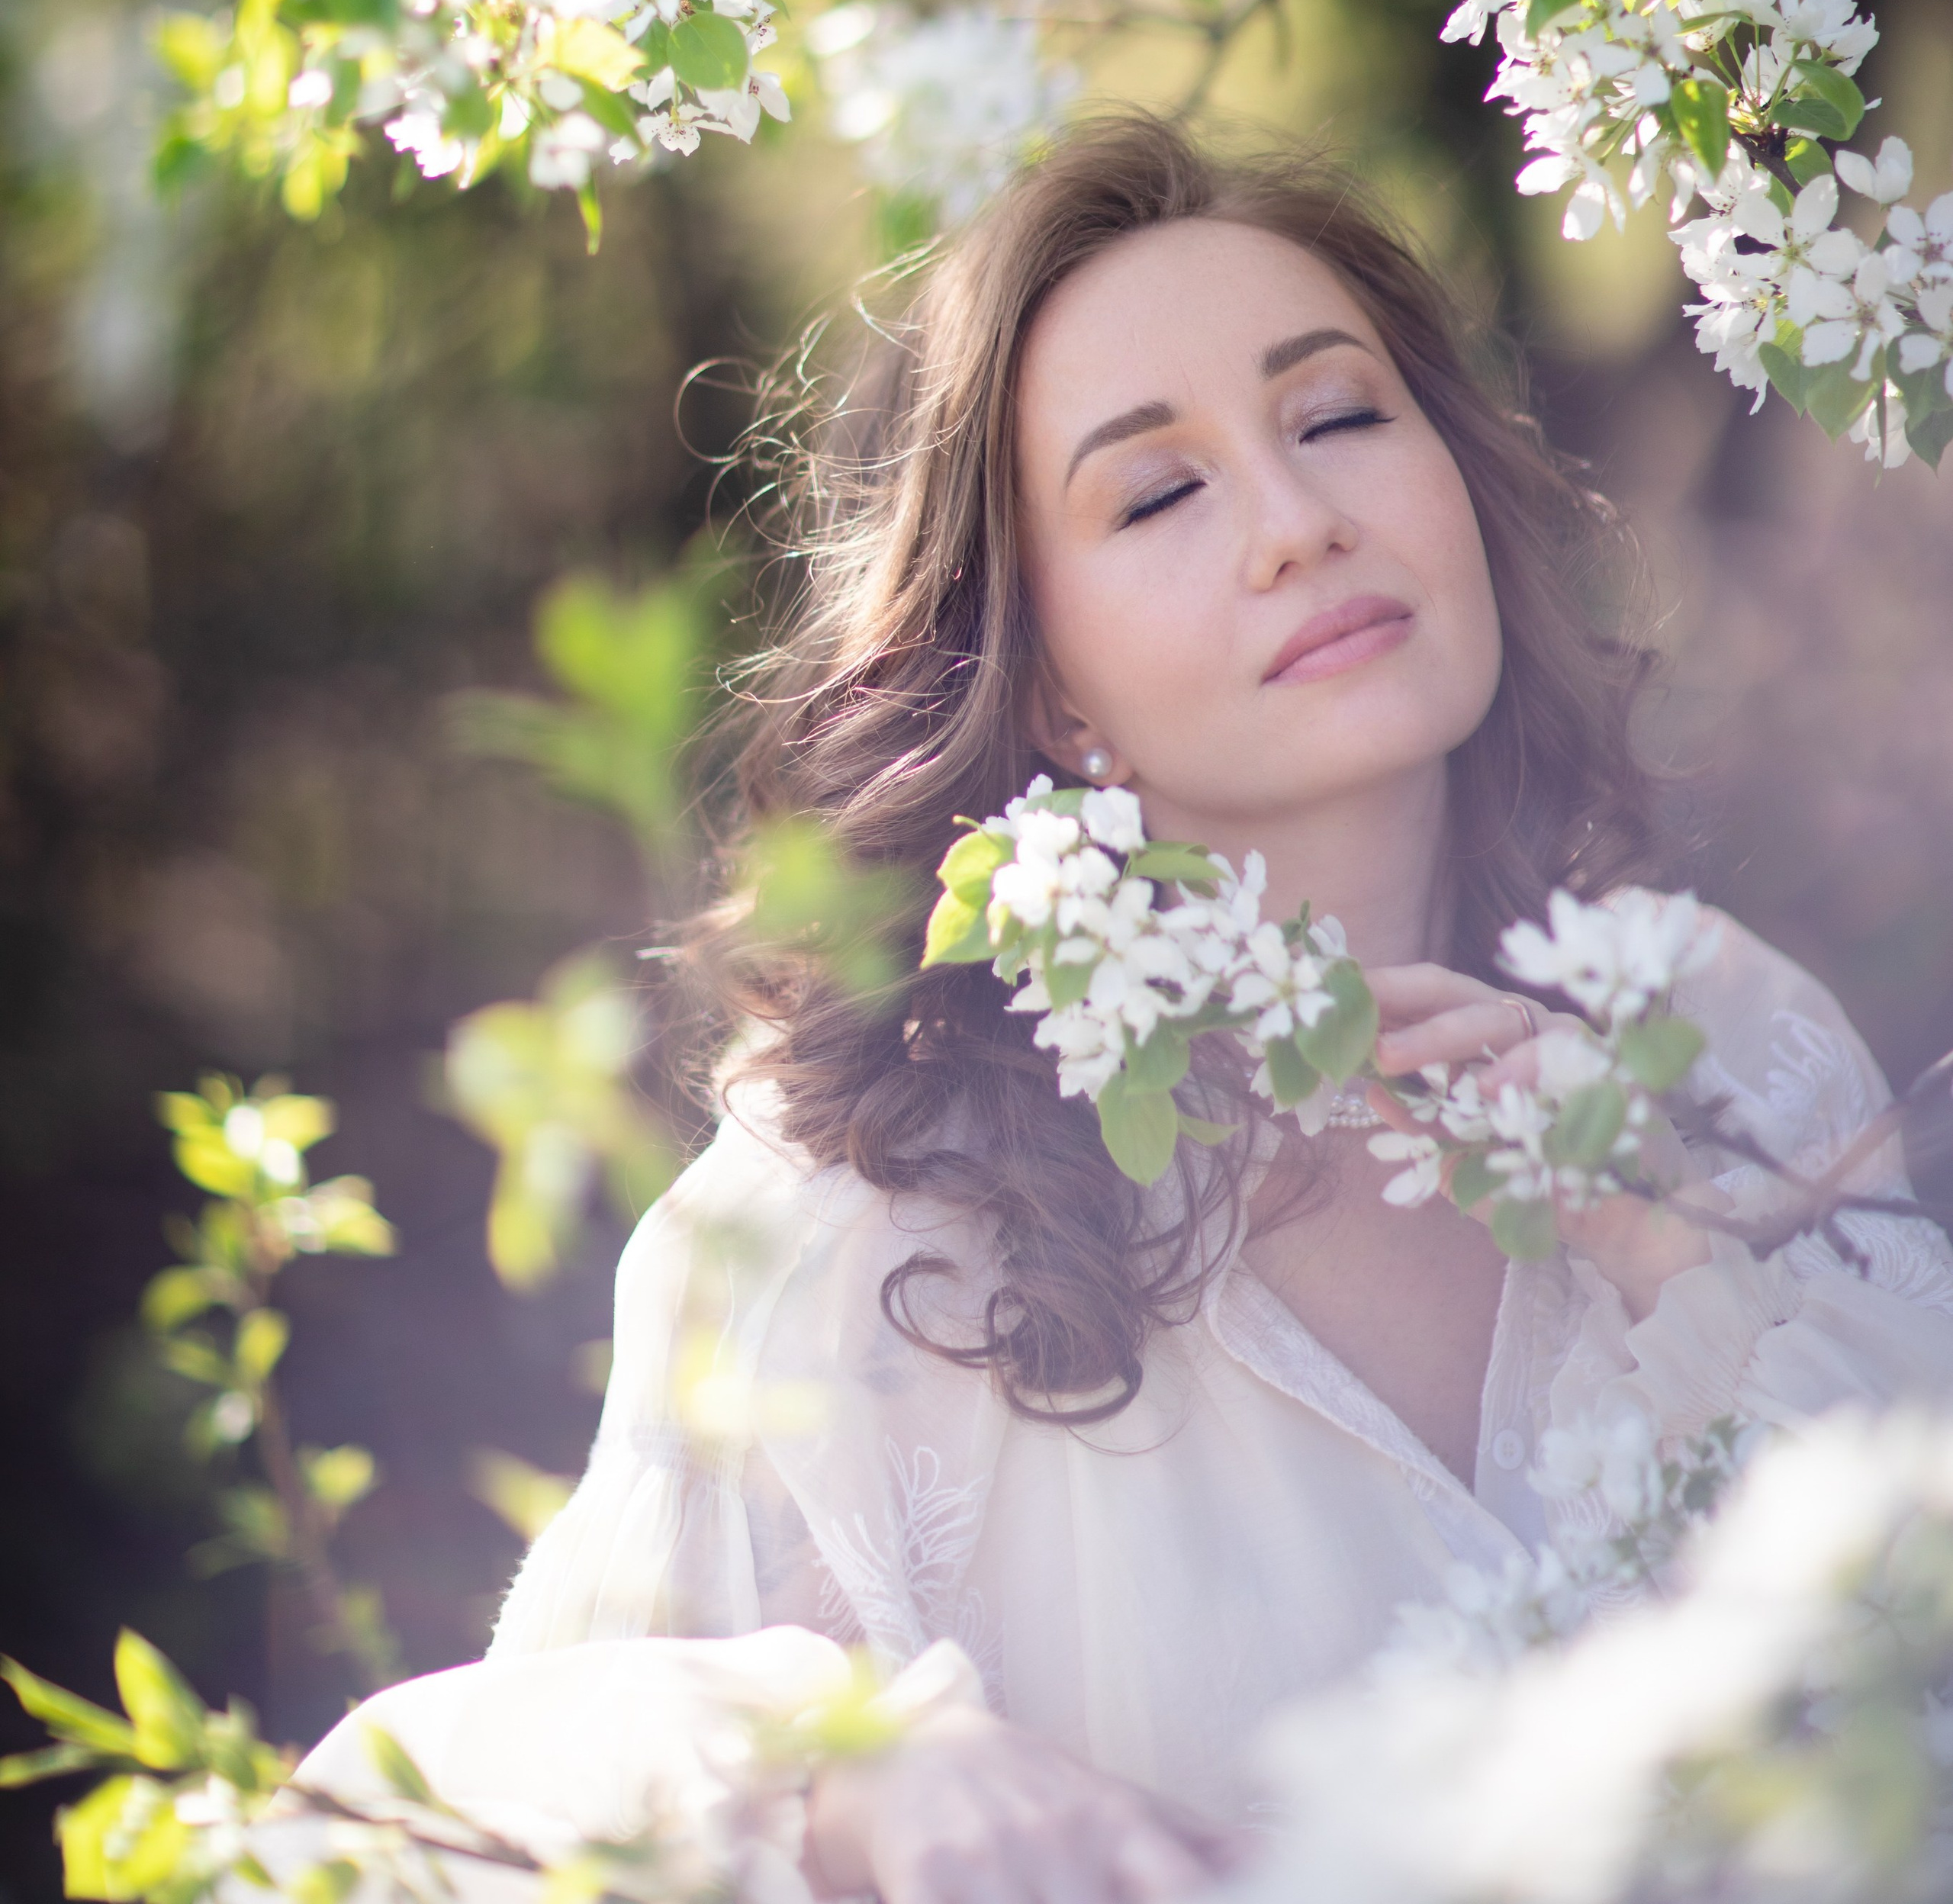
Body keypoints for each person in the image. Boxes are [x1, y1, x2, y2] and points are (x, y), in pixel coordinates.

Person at [300, 113, 1953, 1902]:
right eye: (1156, 493)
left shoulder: (1712, 1031)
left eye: (1334, 417)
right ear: (1047, 690)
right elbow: (391, 1821)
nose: (1297, 525)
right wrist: (840, 1773)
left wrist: (1669, 1258)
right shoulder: (857, 1216)